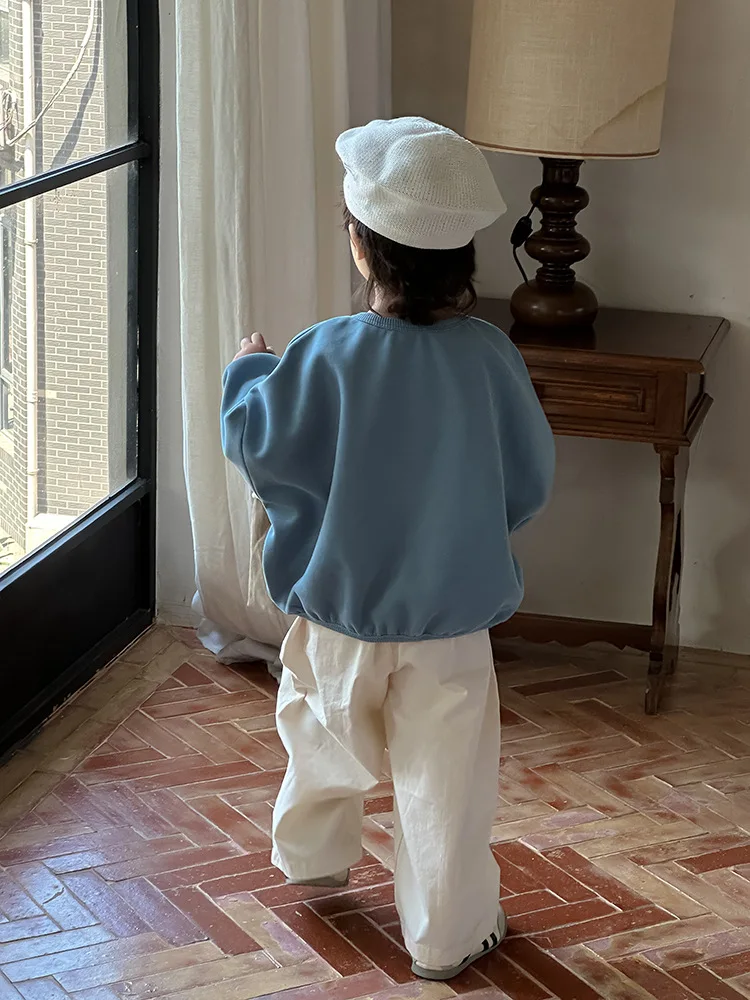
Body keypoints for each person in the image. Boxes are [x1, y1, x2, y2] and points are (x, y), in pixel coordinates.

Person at [221, 117, 555, 981]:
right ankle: (448, 935)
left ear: (362, 248)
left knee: (319, 733)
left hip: (339, 611)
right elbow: (528, 481)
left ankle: (314, 860)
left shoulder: (324, 352)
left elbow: (261, 444)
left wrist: (249, 370)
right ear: (465, 257)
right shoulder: (491, 359)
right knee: (446, 781)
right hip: (450, 622)